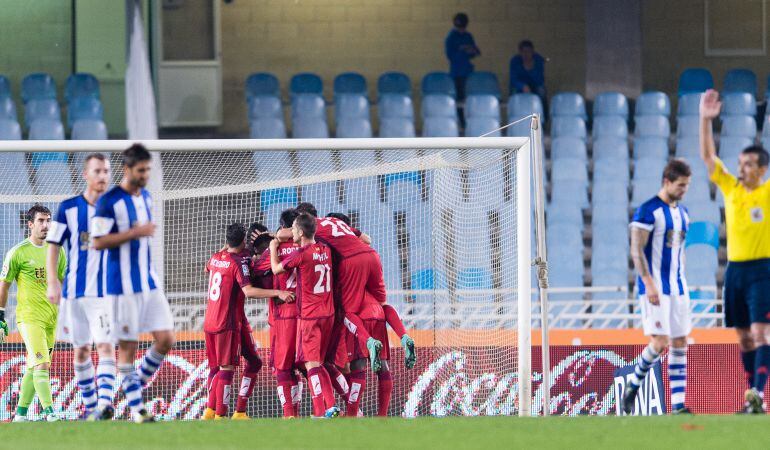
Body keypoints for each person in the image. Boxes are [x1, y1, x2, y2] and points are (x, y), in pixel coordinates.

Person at [91, 144, 174, 423]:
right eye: (141, 170)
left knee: (166, 339)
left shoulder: (147, 197)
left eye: (148, 169)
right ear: (127, 169)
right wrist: (134, 232)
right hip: (121, 286)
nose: (146, 174)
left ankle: (132, 384)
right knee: (127, 349)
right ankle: (138, 410)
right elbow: (98, 241)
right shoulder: (109, 201)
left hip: (148, 283)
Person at [700, 89, 770, 414]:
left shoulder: (767, 192)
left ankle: (756, 394)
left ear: (762, 170)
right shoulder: (731, 188)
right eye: (740, 163)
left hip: (763, 270)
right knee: (743, 337)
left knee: (761, 332)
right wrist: (704, 119)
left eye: (748, 164)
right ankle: (753, 397)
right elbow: (709, 159)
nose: (741, 168)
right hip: (735, 271)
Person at [45, 154, 116, 421]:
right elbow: (53, 246)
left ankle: (105, 405)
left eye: (106, 171)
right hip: (74, 293)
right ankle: (90, 408)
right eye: (97, 171)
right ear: (85, 174)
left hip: (105, 294)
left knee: (106, 346)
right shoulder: (68, 208)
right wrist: (53, 281)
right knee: (81, 350)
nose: (102, 176)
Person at [622, 159, 692, 415]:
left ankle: (678, 404)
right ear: (667, 181)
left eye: (687, 186)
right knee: (660, 341)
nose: (684, 190)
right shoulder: (647, 211)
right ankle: (635, 383)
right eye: (681, 185)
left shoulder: (683, 213)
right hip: (655, 288)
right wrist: (648, 283)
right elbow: (636, 249)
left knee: (680, 341)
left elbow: (679, 251)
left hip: (678, 287)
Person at [201, 222, 292, 420]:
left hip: (211, 320)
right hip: (228, 321)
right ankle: (219, 416)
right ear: (244, 240)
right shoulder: (240, 261)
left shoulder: (216, 257)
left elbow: (207, 268)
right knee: (226, 368)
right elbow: (248, 291)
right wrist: (278, 292)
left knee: (250, 362)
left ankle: (226, 411)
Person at [270, 213, 340, 418]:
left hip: (310, 315)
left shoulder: (302, 253)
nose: (290, 232)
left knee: (312, 365)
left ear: (300, 232)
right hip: (329, 314)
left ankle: (320, 412)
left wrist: (274, 248)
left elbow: (275, 270)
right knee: (320, 363)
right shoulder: (326, 250)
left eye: (293, 228)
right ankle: (331, 406)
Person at [0, 205, 66, 422]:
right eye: (41, 221)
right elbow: (4, 285)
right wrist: (1, 315)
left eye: (48, 220)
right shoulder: (17, 252)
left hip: (50, 318)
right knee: (42, 364)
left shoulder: (58, 251)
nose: (46, 225)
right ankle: (50, 413)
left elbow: (61, 283)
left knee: (33, 366)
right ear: (30, 224)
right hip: (29, 318)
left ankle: (20, 415)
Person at [444, 12, 480, 101]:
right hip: (457, 72)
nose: (462, 30)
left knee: (469, 97)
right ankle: (460, 115)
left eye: (463, 27)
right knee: (459, 98)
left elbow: (476, 52)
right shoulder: (451, 37)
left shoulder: (468, 36)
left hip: (468, 71)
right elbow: (450, 55)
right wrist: (462, 49)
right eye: (459, 27)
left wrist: (471, 51)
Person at [509, 40, 547, 113]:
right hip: (519, 85)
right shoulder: (514, 61)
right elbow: (513, 79)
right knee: (514, 92)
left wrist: (531, 69)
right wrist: (522, 86)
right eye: (523, 52)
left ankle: (543, 117)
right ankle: (514, 115)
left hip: (535, 85)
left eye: (529, 51)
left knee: (541, 91)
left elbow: (540, 80)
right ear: (520, 52)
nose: (526, 54)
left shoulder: (538, 60)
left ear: (533, 52)